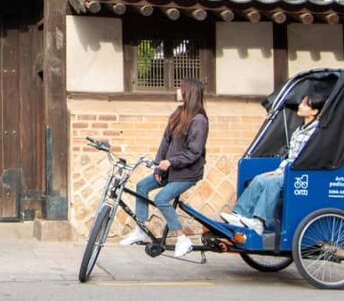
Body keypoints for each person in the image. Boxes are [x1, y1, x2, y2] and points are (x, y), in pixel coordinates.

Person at [120, 78, 209, 257]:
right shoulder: (177, 113)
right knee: (142, 186)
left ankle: (182, 239)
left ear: (189, 93)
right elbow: (165, 142)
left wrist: (171, 162)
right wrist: (158, 167)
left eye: (180, 88)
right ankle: (141, 230)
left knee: (161, 198)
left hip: (188, 173)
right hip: (171, 170)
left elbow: (194, 152)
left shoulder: (199, 120)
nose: (177, 91)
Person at [220, 92, 325, 235]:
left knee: (271, 183)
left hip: (299, 173)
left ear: (315, 111)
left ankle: (259, 222)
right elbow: (290, 157)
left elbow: (304, 158)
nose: (300, 106)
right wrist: (277, 171)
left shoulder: (316, 132)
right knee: (259, 179)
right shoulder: (299, 130)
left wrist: (282, 172)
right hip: (288, 170)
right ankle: (240, 215)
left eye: (305, 105)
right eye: (301, 103)